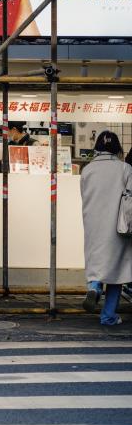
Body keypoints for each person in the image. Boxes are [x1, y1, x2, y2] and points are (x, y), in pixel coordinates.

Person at [79, 131, 132, 326]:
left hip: (93, 224)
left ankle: (94, 286)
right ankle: (108, 315)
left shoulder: (87, 170)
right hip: (118, 226)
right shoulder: (125, 169)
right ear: (117, 148)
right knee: (117, 271)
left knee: (97, 263)